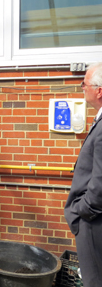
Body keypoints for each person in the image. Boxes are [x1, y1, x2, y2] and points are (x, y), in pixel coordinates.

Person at [64, 62, 102, 287]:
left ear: (99, 90)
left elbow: (100, 181)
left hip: (93, 221)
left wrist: (82, 211)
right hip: (92, 218)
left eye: (84, 84)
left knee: (94, 280)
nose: (82, 87)